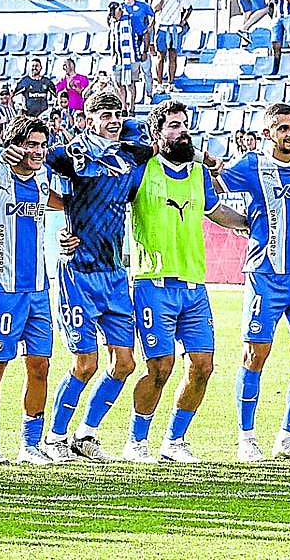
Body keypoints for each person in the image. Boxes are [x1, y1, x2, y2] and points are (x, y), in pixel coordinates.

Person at [117, 101, 246, 463]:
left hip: (194, 285)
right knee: (160, 367)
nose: (182, 131)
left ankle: (174, 441)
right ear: (156, 133)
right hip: (152, 283)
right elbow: (110, 202)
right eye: (173, 125)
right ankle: (136, 441)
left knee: (203, 366)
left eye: (185, 124)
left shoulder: (198, 173)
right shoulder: (141, 170)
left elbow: (215, 211)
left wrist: (250, 223)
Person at [42, 90, 152, 462]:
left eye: (117, 113)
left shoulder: (131, 154)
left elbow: (144, 131)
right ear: (88, 118)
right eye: (104, 114)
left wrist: (122, 121)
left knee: (125, 363)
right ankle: (54, 438)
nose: (114, 120)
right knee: (85, 363)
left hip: (115, 272)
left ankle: (85, 434)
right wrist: (64, 222)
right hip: (79, 272)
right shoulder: (73, 154)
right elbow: (38, 174)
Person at [217, 103, 290, 462]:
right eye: (282, 128)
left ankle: (287, 438)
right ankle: (246, 438)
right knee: (254, 355)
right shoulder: (251, 165)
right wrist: (239, 222)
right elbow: (210, 187)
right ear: (267, 133)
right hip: (265, 276)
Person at [0, 115, 62, 464]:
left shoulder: (43, 179)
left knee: (40, 366)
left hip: (38, 289)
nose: (38, 151)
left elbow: (65, 204)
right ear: (13, 146)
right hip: (0, 290)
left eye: (42, 145)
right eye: (31, 145)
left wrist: (70, 232)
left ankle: (30, 445)